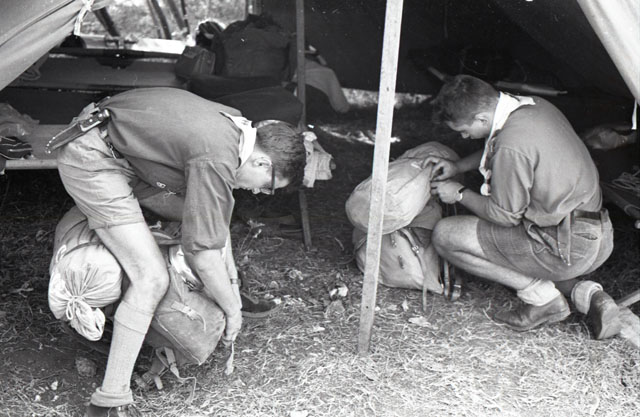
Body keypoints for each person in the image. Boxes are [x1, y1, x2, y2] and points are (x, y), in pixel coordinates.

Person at [54, 87, 306, 417]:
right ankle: (109, 401)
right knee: (151, 278)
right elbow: (203, 254)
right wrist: (232, 312)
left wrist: (230, 287)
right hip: (94, 157)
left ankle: (227, 292)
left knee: (210, 215)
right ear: (261, 161)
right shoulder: (217, 157)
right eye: (267, 185)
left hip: (127, 154)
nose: (259, 192)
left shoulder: (237, 129)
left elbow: (214, 222)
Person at [423, 75, 620, 340]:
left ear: (481, 118)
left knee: (446, 235)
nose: (464, 136)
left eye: (463, 130)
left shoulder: (511, 143)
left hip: (566, 245)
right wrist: (458, 166)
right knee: (517, 252)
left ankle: (542, 299)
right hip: (596, 234)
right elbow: (500, 149)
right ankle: (587, 294)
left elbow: (503, 216)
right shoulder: (532, 106)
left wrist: (458, 193)